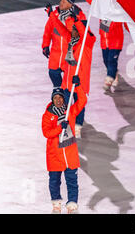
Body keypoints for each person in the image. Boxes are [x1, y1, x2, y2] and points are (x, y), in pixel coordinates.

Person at [50, 0, 96, 137]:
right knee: (68, 104)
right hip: (68, 81)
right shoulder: (72, 40)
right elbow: (59, 27)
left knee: (79, 105)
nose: (73, 30)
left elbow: (83, 30)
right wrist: (51, 15)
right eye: (72, 28)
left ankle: (78, 126)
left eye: (75, 28)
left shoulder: (87, 43)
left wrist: (77, 20)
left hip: (79, 81)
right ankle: (68, 123)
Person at [41, 76, 86, 214]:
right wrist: (60, 127)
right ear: (52, 100)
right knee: (54, 181)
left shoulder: (70, 111)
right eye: (56, 98)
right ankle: (56, 202)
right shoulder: (48, 115)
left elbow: (83, 100)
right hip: (55, 155)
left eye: (60, 97)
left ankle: (72, 204)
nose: (59, 100)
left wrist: (77, 86)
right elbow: (46, 132)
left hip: (70, 154)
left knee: (72, 181)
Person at [77, 0, 125, 92]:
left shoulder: (117, 8)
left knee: (112, 60)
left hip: (116, 41)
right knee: (106, 60)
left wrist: (106, 23)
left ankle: (109, 80)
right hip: (105, 42)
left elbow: (115, 24)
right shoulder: (102, 6)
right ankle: (113, 73)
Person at [41, 0, 81, 88]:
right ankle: (59, 94)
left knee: (71, 85)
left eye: (64, 2)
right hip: (56, 54)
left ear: (71, 5)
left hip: (70, 55)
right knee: (53, 74)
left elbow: (75, 34)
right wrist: (45, 46)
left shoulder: (76, 17)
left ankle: (71, 99)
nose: (61, 4)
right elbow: (47, 31)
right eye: (61, 1)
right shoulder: (54, 15)